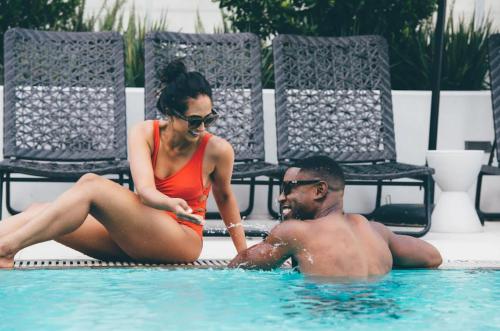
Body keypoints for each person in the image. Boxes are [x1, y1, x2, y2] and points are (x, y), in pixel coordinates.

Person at [0, 60, 247, 268]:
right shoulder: (145, 133)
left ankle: (8, 249)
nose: (202, 128)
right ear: (172, 112)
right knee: (38, 212)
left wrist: (243, 252)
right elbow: (145, 192)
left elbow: (225, 198)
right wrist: (169, 202)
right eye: (194, 121)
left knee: (91, 185)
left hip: (181, 238)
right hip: (137, 235)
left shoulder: (217, 150)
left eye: (209, 118)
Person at [228, 155, 442, 278]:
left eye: (289, 188)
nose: (281, 197)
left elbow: (237, 268)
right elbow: (432, 257)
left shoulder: (294, 232)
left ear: (319, 190)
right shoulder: (374, 229)